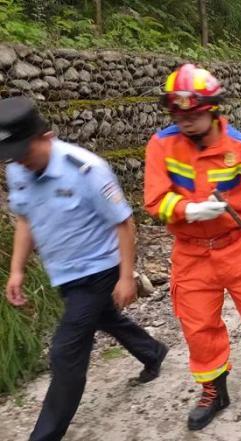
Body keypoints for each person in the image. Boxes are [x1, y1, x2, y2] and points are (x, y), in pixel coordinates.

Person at [143, 64, 241, 431]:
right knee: (198, 327)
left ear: (212, 108)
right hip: (191, 251)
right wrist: (189, 210)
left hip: (237, 246)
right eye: (176, 112)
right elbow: (154, 201)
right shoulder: (162, 144)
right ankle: (214, 389)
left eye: (193, 112)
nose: (184, 120)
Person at [2, 97, 168, 441]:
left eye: (26, 152)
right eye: (14, 156)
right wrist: (17, 270)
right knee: (106, 317)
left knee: (66, 350)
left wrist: (125, 277)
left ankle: (44, 435)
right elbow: (25, 219)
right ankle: (152, 351)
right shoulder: (18, 168)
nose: (22, 163)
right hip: (62, 271)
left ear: (46, 137)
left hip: (97, 268)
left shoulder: (86, 169)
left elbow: (124, 224)